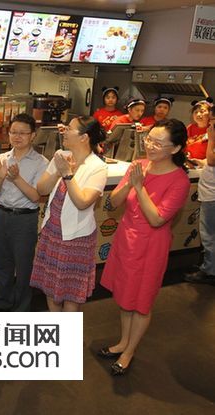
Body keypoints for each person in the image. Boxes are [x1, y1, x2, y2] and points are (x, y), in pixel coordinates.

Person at [99, 119, 190, 376]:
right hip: (126, 239)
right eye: (149, 139)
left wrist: (139, 187)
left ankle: (129, 351)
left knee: (141, 302)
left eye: (158, 143)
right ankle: (123, 342)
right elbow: (113, 203)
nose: (150, 146)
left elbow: (157, 219)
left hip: (151, 246)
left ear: (175, 148)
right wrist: (131, 182)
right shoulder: (138, 166)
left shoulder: (179, 180)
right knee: (125, 296)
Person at [30, 116, 108, 312]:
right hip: (52, 232)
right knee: (50, 287)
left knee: (71, 292)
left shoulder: (97, 167)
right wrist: (58, 171)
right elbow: (41, 189)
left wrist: (67, 174)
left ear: (84, 137)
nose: (64, 130)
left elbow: (82, 202)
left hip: (77, 237)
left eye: (70, 128)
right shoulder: (61, 155)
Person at [0, 113, 48, 311]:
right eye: (13, 132)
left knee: (23, 267)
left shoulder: (41, 162)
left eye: (23, 133)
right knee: (2, 264)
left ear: (33, 135)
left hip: (25, 219)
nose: (17, 136)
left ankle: (22, 308)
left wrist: (16, 178)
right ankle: (3, 303)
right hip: (2, 214)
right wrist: (0, 177)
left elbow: (35, 196)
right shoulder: (2, 158)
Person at [185, 104, 215, 285]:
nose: (210, 122)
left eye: (212, 118)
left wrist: (211, 138)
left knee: (209, 234)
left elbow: (211, 160)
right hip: (209, 190)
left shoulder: (212, 135)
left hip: (212, 194)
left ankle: (209, 271)